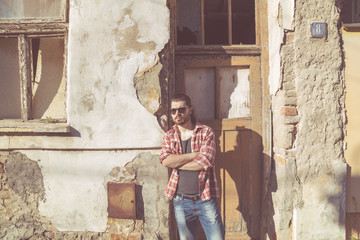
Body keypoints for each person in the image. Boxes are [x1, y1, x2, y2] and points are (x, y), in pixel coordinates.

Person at [160, 93, 225, 240]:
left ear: (190, 110)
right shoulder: (169, 136)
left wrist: (176, 163)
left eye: (181, 109)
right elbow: (165, 161)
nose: (177, 114)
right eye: (173, 110)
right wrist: (193, 155)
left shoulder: (205, 132)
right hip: (181, 200)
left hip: (205, 198)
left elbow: (205, 162)